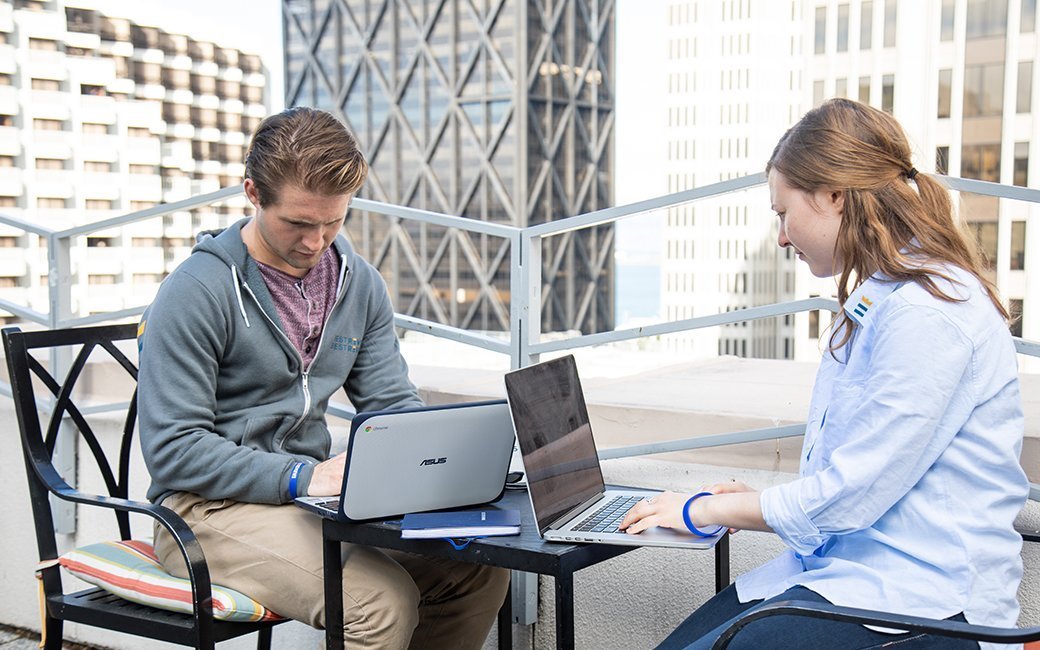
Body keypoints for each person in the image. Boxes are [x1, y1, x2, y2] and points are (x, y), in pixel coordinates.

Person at [621, 98, 1029, 649]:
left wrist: (705, 509)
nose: (783, 237)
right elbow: (866, 471)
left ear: (834, 195)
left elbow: (852, 495)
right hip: (853, 579)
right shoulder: (886, 296)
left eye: (783, 213)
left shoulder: (929, 314)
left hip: (927, 604)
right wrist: (748, 500)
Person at [137, 106, 509, 649]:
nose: (316, 242)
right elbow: (173, 449)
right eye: (298, 223)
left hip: (313, 504)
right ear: (253, 193)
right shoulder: (196, 292)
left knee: (475, 571)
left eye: (332, 221)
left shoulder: (359, 286)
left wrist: (434, 466)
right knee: (378, 602)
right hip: (203, 513)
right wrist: (301, 477)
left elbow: (389, 403)